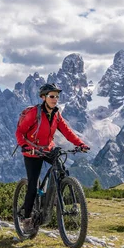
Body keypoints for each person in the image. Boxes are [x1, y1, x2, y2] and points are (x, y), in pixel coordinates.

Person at [15, 83, 89, 232]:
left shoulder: (56, 114)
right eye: (52, 96)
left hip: (48, 149)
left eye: (57, 96)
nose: (55, 99)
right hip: (32, 152)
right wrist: (25, 146)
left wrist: (80, 144)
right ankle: (26, 218)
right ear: (43, 97)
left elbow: (67, 132)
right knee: (33, 185)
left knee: (61, 169)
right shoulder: (34, 113)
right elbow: (20, 132)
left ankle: (55, 196)